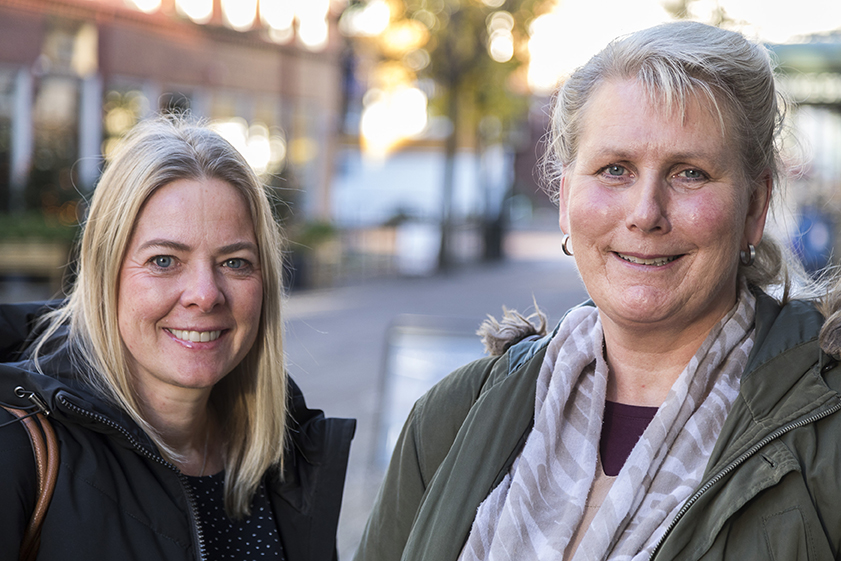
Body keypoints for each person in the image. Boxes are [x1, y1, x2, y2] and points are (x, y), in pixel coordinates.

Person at [354, 21, 841, 561]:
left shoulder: (829, 429)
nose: (645, 213)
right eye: (615, 169)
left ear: (754, 206)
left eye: (690, 173)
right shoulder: (452, 416)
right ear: (565, 201)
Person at [0, 117, 355, 560]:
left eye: (235, 262)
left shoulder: (284, 453)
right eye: (165, 260)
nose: (205, 294)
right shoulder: (16, 445)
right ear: (103, 271)